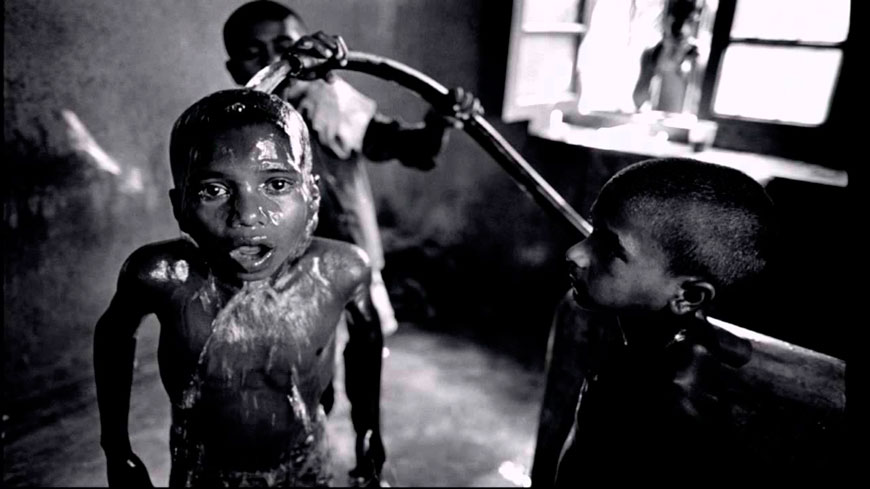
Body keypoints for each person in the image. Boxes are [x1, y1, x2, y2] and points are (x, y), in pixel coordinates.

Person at [94, 89, 386, 487]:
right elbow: (113, 336)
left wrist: (368, 429)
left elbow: (367, 340)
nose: (247, 216)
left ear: (312, 195)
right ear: (179, 205)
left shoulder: (339, 272)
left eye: (277, 184)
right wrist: (116, 447)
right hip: (204, 470)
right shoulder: (163, 277)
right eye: (213, 190)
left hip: (306, 462)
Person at [223, 0, 481, 337]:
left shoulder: (334, 104)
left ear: (308, 49)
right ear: (234, 70)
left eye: (285, 48)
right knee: (301, 364)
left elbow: (415, 151)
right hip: (283, 277)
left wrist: (439, 123)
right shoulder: (234, 127)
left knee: (365, 348)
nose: (272, 60)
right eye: (253, 52)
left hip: (358, 263)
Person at [551, 157, 777, 484]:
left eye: (609, 247)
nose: (575, 253)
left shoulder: (666, 404)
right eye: (592, 230)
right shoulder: (629, 346)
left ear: (689, 295)